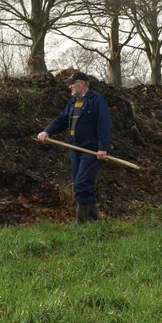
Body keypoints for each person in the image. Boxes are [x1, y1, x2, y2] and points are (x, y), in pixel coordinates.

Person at [37, 72, 112, 223]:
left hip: (90, 150)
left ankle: (81, 222)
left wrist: (103, 147)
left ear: (83, 83)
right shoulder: (72, 102)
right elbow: (61, 120)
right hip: (75, 149)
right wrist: (47, 131)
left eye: (73, 83)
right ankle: (95, 221)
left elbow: (104, 124)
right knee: (83, 185)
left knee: (81, 184)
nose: (70, 86)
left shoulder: (96, 100)